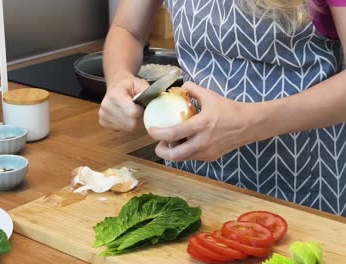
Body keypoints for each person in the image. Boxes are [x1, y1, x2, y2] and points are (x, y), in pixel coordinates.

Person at [99, 0, 346, 217]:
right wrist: (119, 77)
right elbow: (127, 30)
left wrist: (248, 123)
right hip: (192, 177)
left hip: (304, 182)